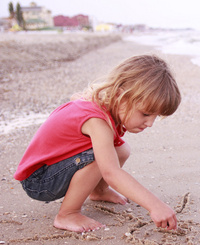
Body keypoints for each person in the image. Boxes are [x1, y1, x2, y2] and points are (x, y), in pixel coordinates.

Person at [14, 55, 181, 233]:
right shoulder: (97, 122)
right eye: (146, 114)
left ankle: (99, 191)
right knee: (97, 157)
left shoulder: (100, 102)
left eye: (156, 116)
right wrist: (155, 205)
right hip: (40, 181)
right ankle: (67, 213)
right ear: (120, 95)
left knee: (121, 149)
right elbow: (111, 172)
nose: (150, 123)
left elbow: (76, 98)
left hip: (52, 170)